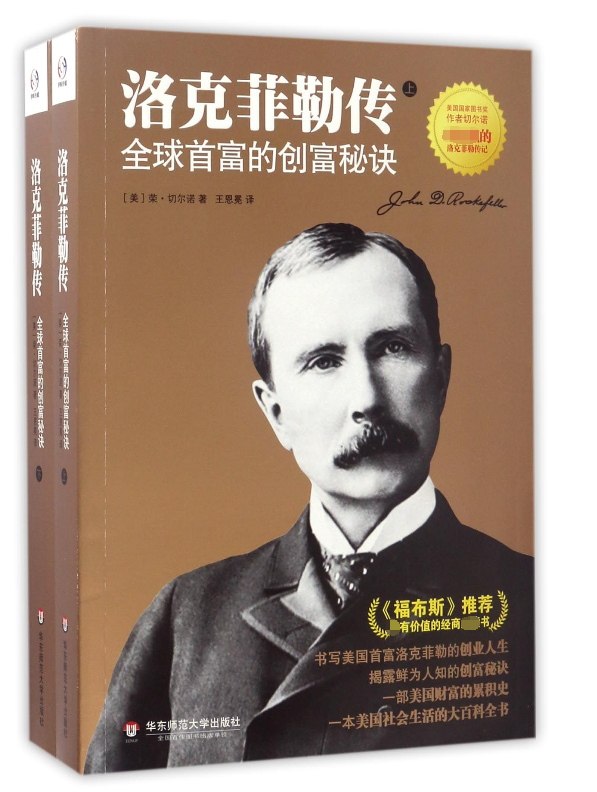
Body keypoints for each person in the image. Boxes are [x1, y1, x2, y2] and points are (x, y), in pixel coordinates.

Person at [85, 223, 534, 772]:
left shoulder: (538, 604)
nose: (367, 398)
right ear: (276, 413)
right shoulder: (187, 617)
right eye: (324, 361)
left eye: (393, 348)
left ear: (440, 378)